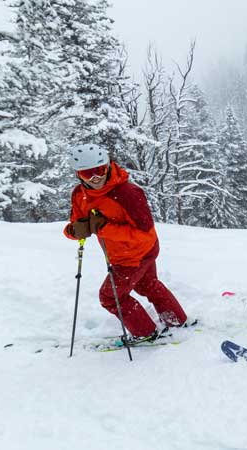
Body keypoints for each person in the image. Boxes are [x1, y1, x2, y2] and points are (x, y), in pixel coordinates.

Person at [63, 144, 189, 342]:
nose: (95, 178)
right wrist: (74, 230)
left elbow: (145, 235)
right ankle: (176, 321)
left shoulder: (127, 193)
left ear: (108, 166)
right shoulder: (80, 195)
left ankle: (145, 333)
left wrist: (103, 228)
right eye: (88, 174)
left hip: (135, 255)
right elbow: (75, 224)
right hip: (122, 254)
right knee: (148, 285)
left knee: (110, 297)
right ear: (78, 175)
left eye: (99, 170)